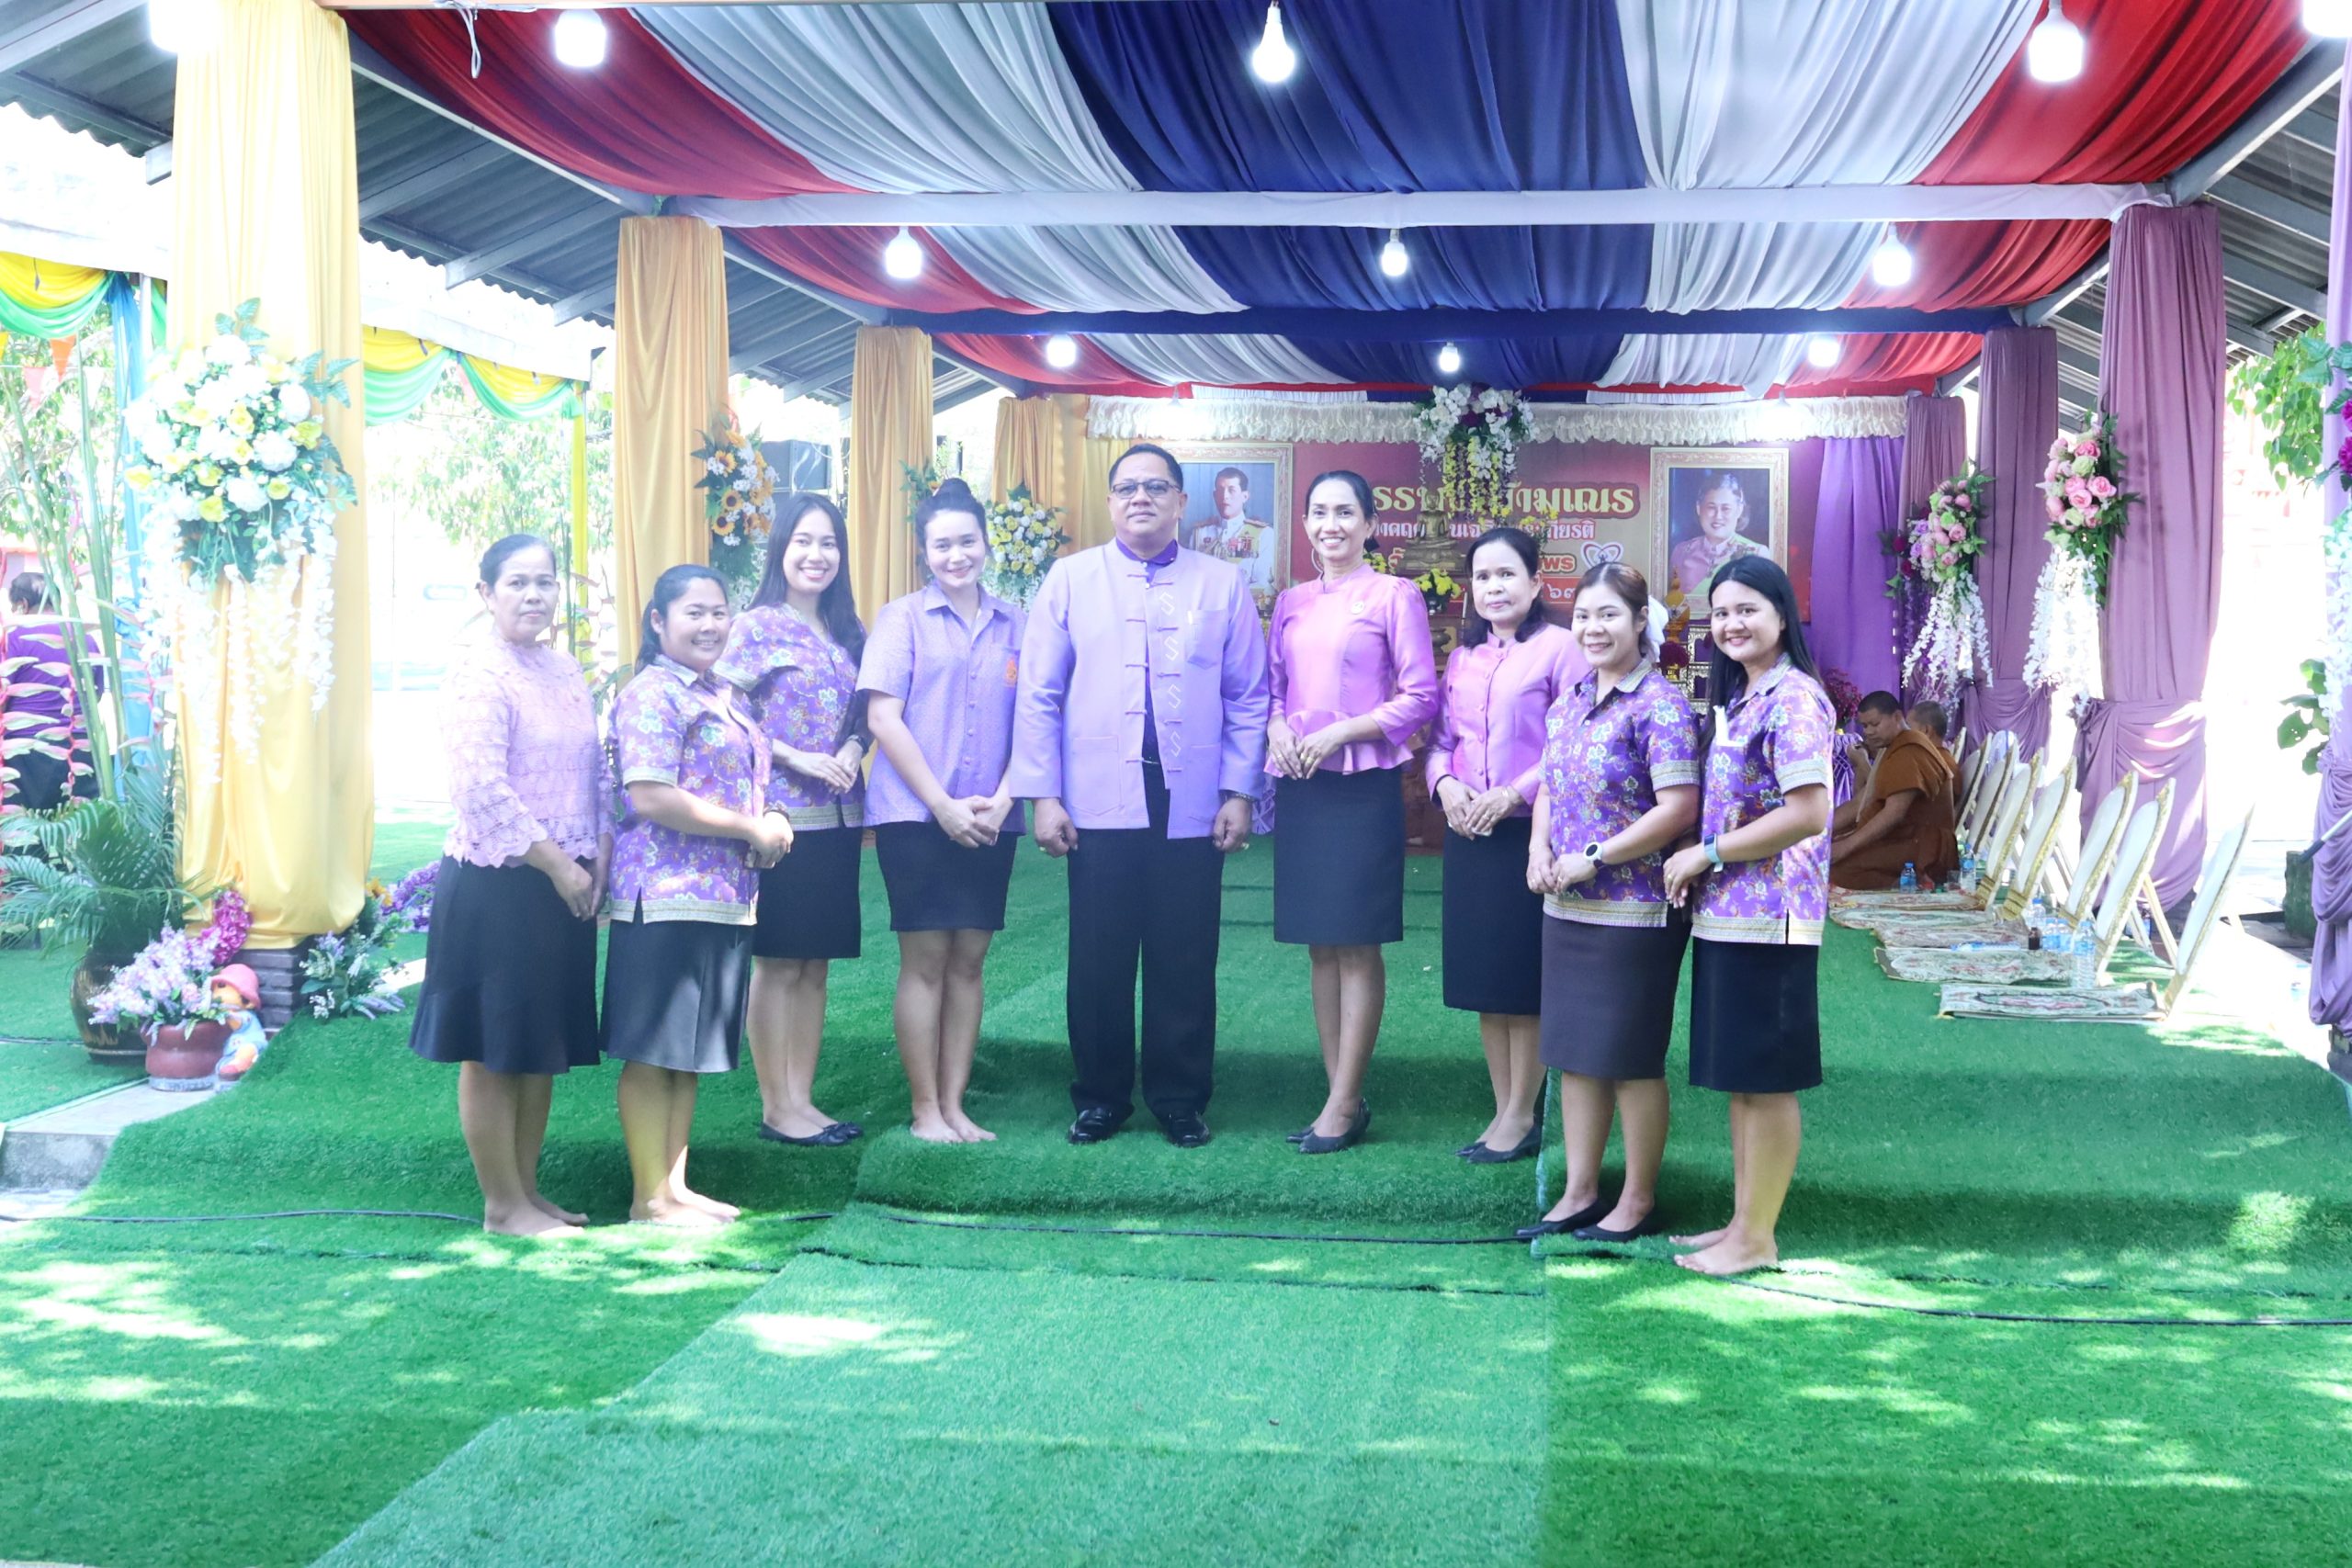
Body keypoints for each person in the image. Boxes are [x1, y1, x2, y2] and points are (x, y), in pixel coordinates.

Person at [1010, 442, 1270, 1148]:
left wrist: (1239, 790)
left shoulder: (1221, 584)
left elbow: (1248, 695)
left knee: (1185, 953)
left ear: (1182, 501)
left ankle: (1179, 1096)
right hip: (1097, 796)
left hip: (1192, 797)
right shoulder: (1070, 580)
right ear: (1110, 502)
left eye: (1156, 487)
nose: (1141, 498)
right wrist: (1044, 796)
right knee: (1099, 953)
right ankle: (1100, 1096)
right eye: (1127, 488)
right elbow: (1038, 693)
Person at [409, 536, 610, 1236]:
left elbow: (596, 769)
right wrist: (559, 865)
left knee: (537, 1044)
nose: (533, 595)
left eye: (545, 582)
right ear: (486, 594)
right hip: (499, 887)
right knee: (494, 1049)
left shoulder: (565, 669)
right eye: (517, 582)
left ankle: (528, 1192)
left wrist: (597, 855)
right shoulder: (477, 674)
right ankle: (502, 1204)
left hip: (564, 884)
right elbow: (481, 790)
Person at [1661, 556, 1834, 1276]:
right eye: (1722, 612)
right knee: (1743, 1079)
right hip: (1730, 915)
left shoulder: (1794, 697)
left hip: (1773, 916)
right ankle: (1742, 1222)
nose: (1732, 624)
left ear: (1782, 616)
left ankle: (1758, 1237)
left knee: (1765, 1080)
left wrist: (1708, 853)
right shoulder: (1746, 695)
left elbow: (1809, 811)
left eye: (1748, 610)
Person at [604, 565, 791, 1227]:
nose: (710, 625)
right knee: (655, 1051)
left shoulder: (721, 693)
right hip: (664, 895)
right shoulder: (653, 693)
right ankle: (648, 1198)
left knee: (684, 1053)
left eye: (718, 612)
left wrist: (770, 818)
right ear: (658, 621)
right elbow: (650, 794)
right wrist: (749, 827)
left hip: (722, 895)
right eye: (694, 612)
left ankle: (674, 1188)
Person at [1518, 564, 1702, 1238]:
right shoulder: (1569, 701)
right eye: (1583, 616)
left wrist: (1593, 858)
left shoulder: (1660, 704)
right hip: (1565, 906)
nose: (1593, 629)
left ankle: (1638, 1199)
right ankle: (1579, 1191)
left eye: (1609, 615)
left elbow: (1678, 808)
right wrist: (1537, 850)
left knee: (1629, 1059)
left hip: (1636, 912)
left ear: (1640, 621)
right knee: (1574, 1053)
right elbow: (1550, 787)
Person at [1265, 471, 1437, 1155]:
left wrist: (1341, 731)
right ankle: (1339, 1094)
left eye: (1344, 512)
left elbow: (1420, 695)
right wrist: (1277, 729)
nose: (1330, 524)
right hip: (1303, 783)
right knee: (1320, 943)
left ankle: (1343, 1101)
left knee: (1357, 941)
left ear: (1370, 524)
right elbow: (1273, 689)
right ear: (1305, 523)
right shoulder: (1291, 601)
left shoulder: (1395, 595)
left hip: (1362, 785)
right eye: (1319, 512)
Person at [860, 478, 1023, 1144]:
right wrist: (942, 805)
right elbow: (883, 717)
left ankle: (956, 1104)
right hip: (915, 816)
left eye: (967, 542)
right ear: (923, 552)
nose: (956, 556)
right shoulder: (901, 619)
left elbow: (1036, 719)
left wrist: (1005, 798)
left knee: (970, 960)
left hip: (992, 816)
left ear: (986, 544)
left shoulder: (1017, 622)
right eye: (942, 545)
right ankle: (924, 1108)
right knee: (926, 959)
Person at [1425, 526, 1585, 1163]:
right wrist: (1445, 785)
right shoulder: (1465, 657)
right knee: (1487, 984)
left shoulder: (1562, 649)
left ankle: (1523, 1112)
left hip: (1530, 834)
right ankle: (1503, 1109)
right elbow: (1440, 741)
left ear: (1536, 582)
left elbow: (1573, 743)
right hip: (1470, 833)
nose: (1494, 587)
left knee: (1524, 982)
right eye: (1483, 576)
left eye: (1507, 574)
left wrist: (1513, 793)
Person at [715, 496, 869, 1148]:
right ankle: (776, 1105)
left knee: (815, 965)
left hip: (841, 818)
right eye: (803, 540)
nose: (816, 554)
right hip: (780, 821)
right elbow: (723, 711)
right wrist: (793, 755)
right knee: (779, 963)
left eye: (829, 542)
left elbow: (868, 712)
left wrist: (853, 749)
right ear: (781, 547)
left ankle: (803, 1100)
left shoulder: (848, 630)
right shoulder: (755, 627)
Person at [1830, 691, 1957, 891]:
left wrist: (1845, 847)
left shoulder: (1911, 749)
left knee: (1836, 868)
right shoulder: (1892, 748)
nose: (1869, 732)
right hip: (1905, 837)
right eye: (1865, 726)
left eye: (1875, 724)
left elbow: (1894, 813)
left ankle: (1909, 887)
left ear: (1897, 717)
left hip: (1926, 848)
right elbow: (1860, 803)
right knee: (1829, 847)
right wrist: (1820, 831)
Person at [1, 571, 101, 812]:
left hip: (27, 751)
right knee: (73, 827)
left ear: (23, 605)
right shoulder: (85, 639)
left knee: (25, 829)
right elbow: (95, 696)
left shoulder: (15, 636)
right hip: (79, 749)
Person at [1668, 472, 1767, 600]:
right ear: (1699, 508)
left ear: (1739, 510)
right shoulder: (1681, 552)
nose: (1718, 516)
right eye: (1711, 507)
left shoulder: (1757, 553)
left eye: (1725, 509)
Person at [1191, 466, 1276, 612]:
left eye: (1232, 490)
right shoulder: (1200, 534)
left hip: (1245, 611)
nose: (1225, 496)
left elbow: (1262, 585)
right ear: (1214, 495)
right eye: (1220, 490)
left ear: (1245, 496)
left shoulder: (1263, 534)